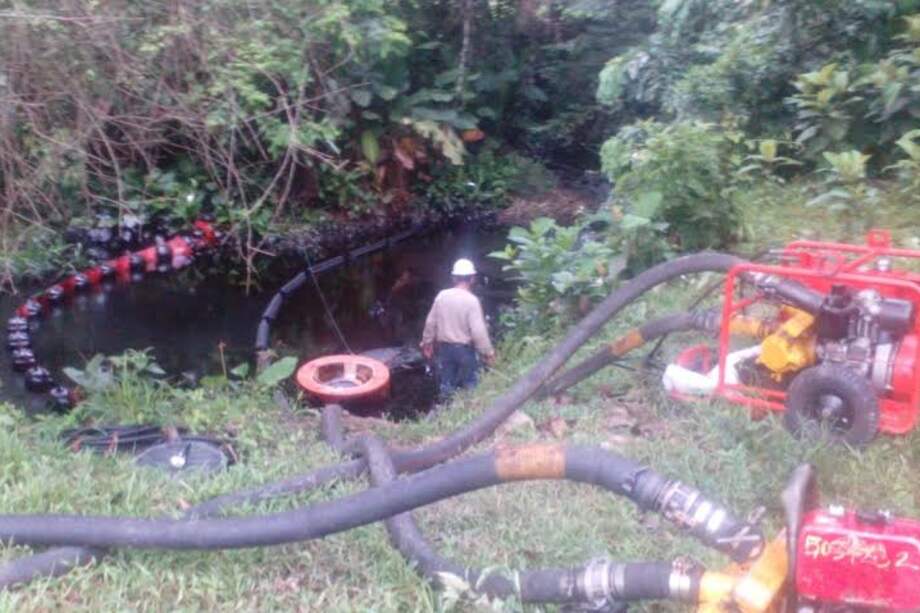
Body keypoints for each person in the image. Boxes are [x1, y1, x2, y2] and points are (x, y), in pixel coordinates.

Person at [420, 258, 496, 396]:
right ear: (472, 278)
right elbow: (478, 332)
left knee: (446, 385)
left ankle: (446, 406)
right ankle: (470, 407)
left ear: (454, 278)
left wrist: (427, 343)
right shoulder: (472, 301)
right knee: (470, 385)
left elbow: (430, 322)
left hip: (445, 350)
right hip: (465, 351)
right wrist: (488, 352)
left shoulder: (442, 296)